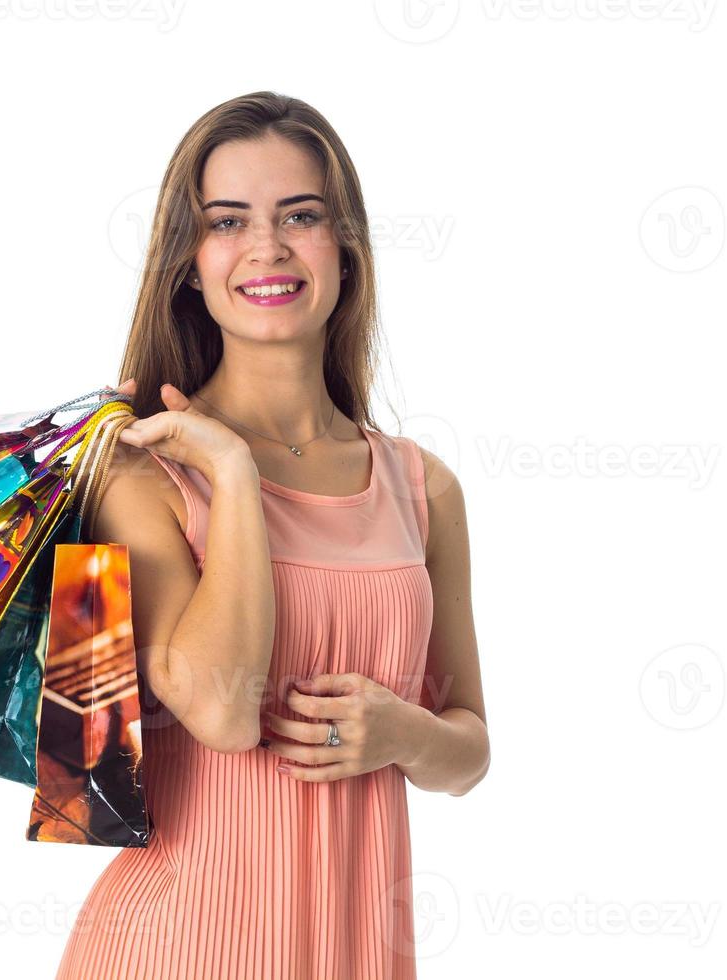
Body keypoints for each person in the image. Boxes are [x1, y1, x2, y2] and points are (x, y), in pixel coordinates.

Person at [54, 91, 489, 980]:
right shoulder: (140, 475)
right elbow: (217, 710)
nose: (267, 247)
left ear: (347, 246)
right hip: (177, 948)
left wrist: (400, 734)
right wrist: (236, 475)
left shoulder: (422, 487)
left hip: (355, 953)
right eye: (227, 222)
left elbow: (469, 750)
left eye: (301, 215)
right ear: (190, 262)